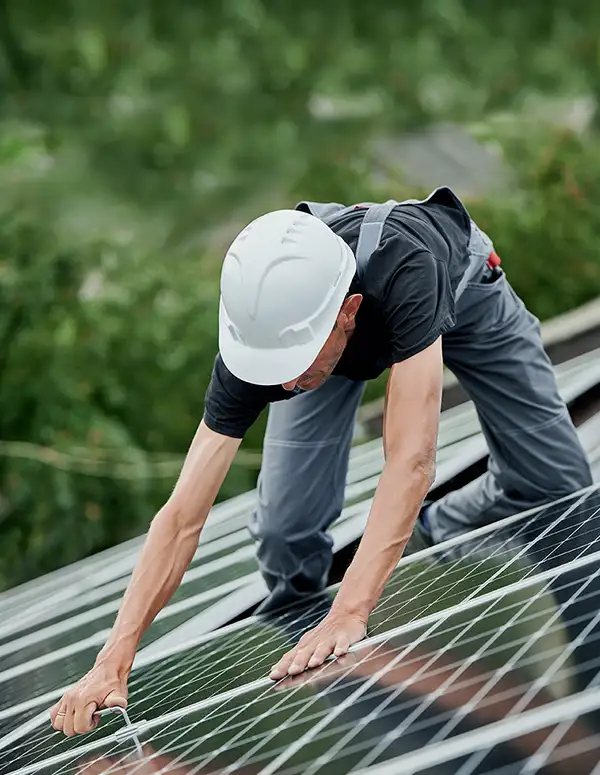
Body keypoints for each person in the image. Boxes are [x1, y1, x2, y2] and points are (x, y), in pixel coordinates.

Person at [50, 187, 592, 737]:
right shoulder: (266, 337)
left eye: (293, 364)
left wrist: (352, 613)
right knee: (285, 535)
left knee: (558, 485)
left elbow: (410, 459)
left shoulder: (408, 270)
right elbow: (181, 515)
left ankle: (438, 525)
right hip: (329, 335)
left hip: (464, 287)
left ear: (348, 312)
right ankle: (316, 653)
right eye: (272, 368)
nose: (284, 384)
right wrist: (111, 661)